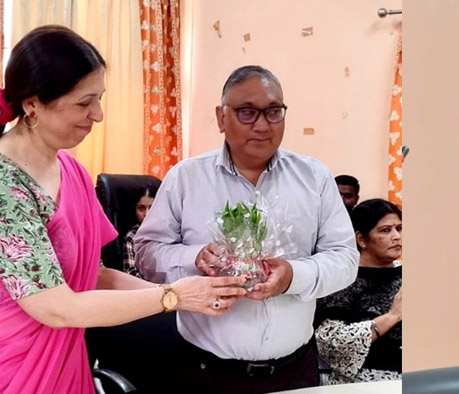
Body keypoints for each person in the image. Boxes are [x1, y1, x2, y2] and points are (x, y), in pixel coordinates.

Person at [0, 26, 247, 394]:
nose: (98, 114)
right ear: (33, 104)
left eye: (99, 99)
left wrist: (188, 295)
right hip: (8, 372)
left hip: (67, 367)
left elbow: (95, 274)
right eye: (84, 102)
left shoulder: (70, 170)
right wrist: (174, 297)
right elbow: (55, 307)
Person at [135, 65, 359, 393]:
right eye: (246, 113)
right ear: (221, 117)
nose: (262, 126)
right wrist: (194, 258)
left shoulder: (314, 177)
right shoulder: (186, 178)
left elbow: (345, 260)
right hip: (204, 370)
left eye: (273, 112)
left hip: (294, 371)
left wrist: (292, 277)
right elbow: (147, 254)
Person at [314, 198, 403, 384]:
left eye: (399, 228)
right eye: (386, 230)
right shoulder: (343, 280)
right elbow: (330, 344)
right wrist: (391, 317)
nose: (397, 236)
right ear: (361, 239)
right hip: (360, 382)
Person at [123, 186, 157, 278]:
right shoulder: (132, 236)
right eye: (141, 208)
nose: (146, 214)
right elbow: (130, 273)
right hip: (146, 288)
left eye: (152, 208)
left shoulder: (172, 233)